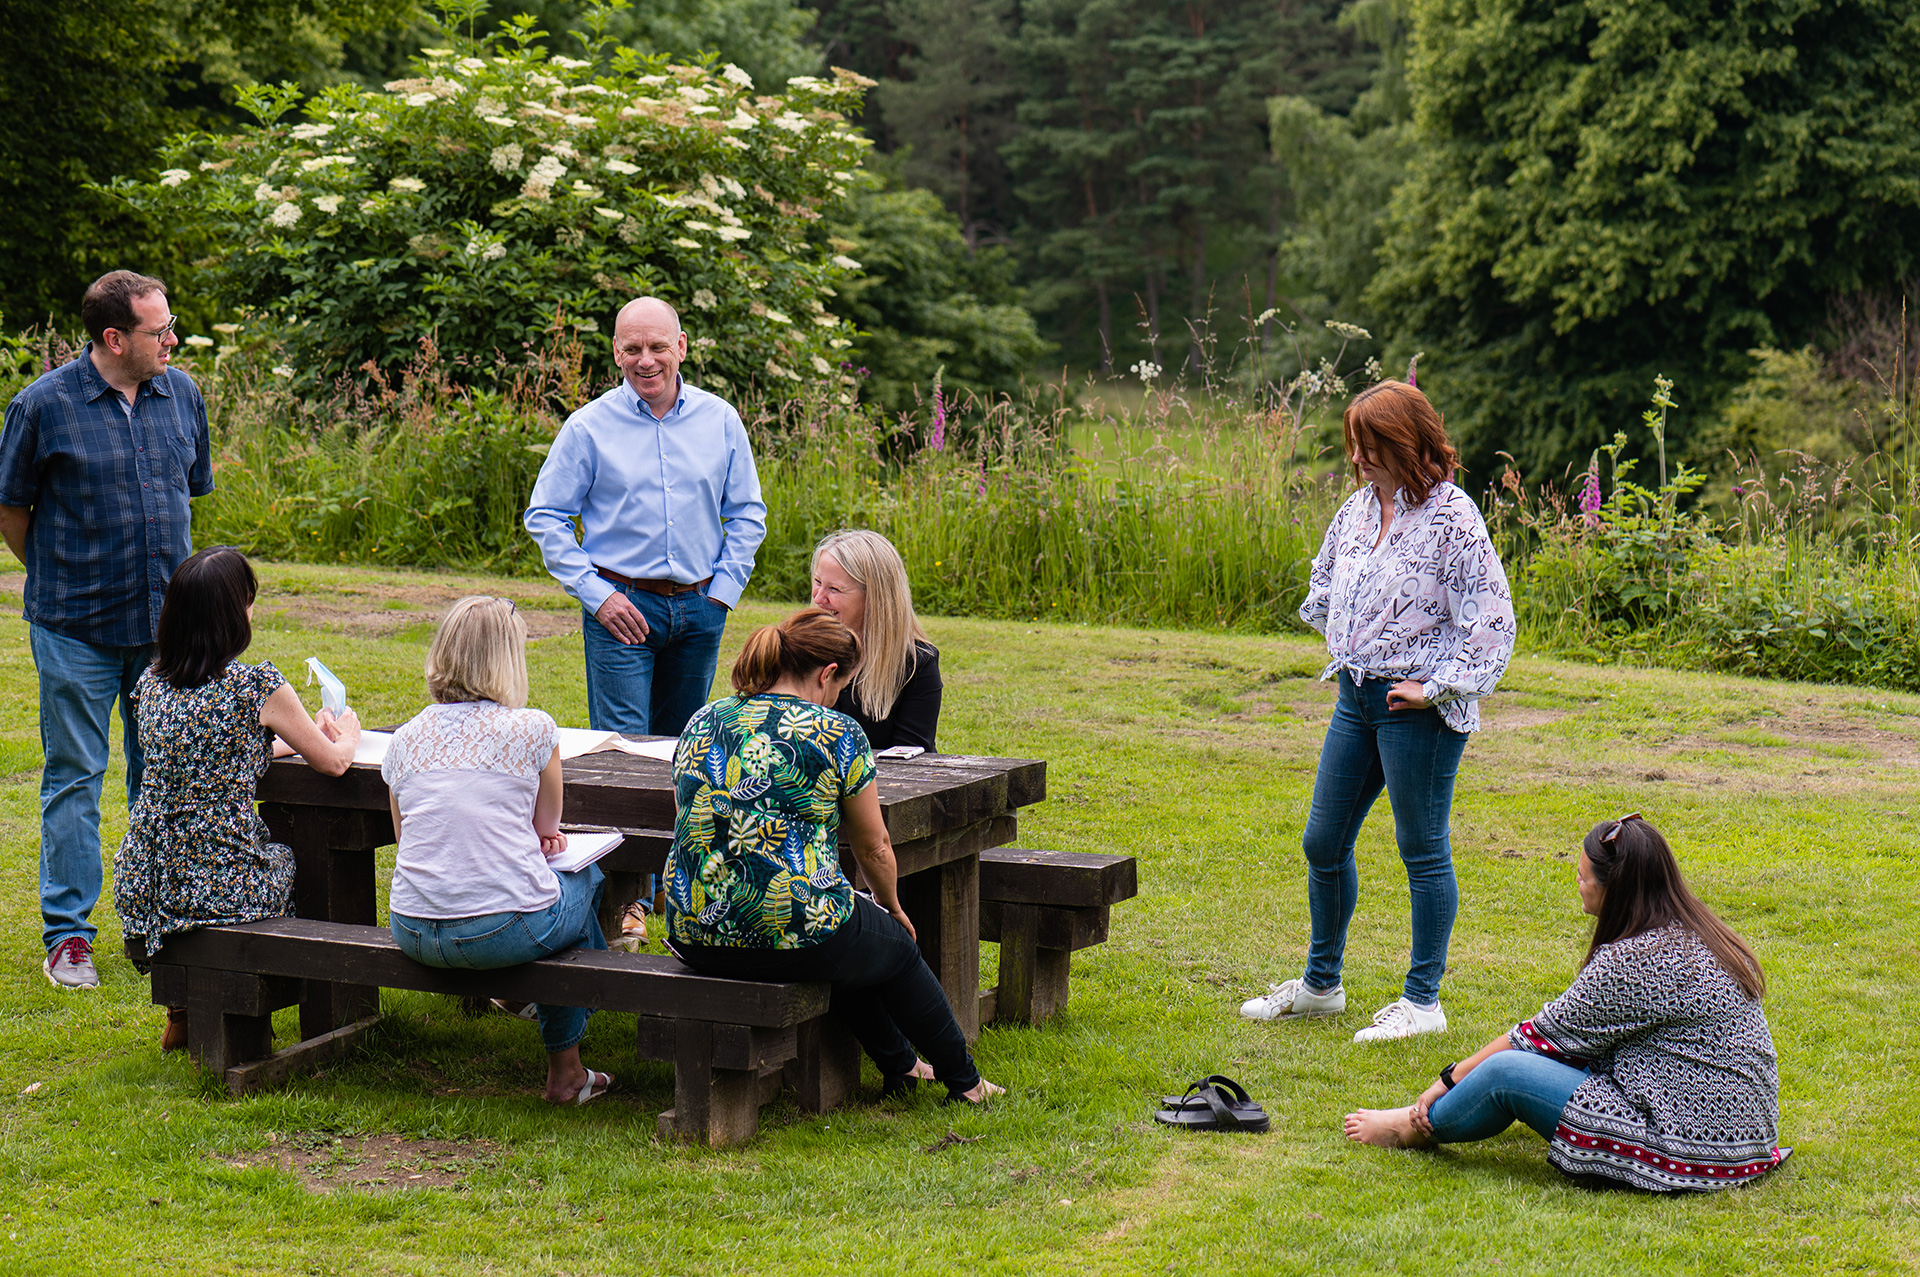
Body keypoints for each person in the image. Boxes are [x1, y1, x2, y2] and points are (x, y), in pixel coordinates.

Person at [1240, 378, 1515, 1041]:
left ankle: (1423, 1001)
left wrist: (1437, 684)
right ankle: (1320, 985)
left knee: (1420, 847)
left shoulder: (1455, 517)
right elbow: (1326, 578)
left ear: (1405, 443)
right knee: (1322, 840)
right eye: (1353, 446)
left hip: (1414, 708)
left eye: (1369, 447)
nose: (1357, 459)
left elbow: (1491, 618)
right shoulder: (1359, 509)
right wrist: (1350, 637)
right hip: (1355, 698)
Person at [662, 608, 1001, 1104]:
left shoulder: (703, 718)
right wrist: (894, 907)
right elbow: (874, 845)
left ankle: (903, 1068)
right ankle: (966, 1083)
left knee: (855, 939)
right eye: (840, 685)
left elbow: (688, 814)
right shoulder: (835, 731)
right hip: (793, 932)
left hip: (694, 931)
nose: (839, 695)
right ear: (826, 674)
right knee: (894, 947)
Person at [1343, 814, 1787, 1193]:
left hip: (1688, 1145)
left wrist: (1445, 1082)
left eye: (1583, 875)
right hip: (1747, 1134)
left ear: (1615, 888)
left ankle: (1416, 1127)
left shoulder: (1634, 962)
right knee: (1551, 1059)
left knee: (1505, 1073)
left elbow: (1535, 1039)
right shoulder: (1699, 931)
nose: (1577, 882)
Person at [0, 270, 215, 990]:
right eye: (160, 330)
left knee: (164, 773)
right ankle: (68, 938)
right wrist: (60, 575)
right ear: (114, 337)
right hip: (76, 629)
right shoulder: (42, 406)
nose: (173, 339)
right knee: (75, 778)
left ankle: (162, 922)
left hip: (166, 630)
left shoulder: (180, 393)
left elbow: (190, 494)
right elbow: (12, 510)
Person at [113, 548, 360, 1050]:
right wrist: (347, 733)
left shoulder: (151, 684)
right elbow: (334, 763)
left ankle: (182, 1010)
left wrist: (302, 732)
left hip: (148, 881)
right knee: (297, 857)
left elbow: (217, 748)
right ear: (235, 612)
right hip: (219, 884)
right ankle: (319, 1001)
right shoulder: (255, 686)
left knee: (270, 850)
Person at [383, 596, 614, 1105]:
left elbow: (407, 841)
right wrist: (536, 836)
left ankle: (535, 1001)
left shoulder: (404, 739)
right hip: (500, 929)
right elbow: (548, 826)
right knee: (586, 880)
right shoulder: (534, 728)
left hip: (414, 926)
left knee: (551, 901)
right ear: (508, 659)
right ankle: (567, 1064)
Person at [524, 296, 767, 738]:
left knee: (684, 749)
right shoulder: (587, 427)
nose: (646, 360)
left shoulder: (722, 421)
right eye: (633, 349)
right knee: (624, 749)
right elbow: (546, 515)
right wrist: (596, 594)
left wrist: (722, 593)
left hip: (700, 608)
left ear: (681, 346)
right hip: (620, 607)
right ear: (617, 352)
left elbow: (748, 513)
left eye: (658, 347)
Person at [809, 529, 942, 752]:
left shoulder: (916, 663)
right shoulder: (800, 648)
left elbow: (909, 755)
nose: (818, 597)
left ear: (874, 597)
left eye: (834, 589)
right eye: (818, 581)